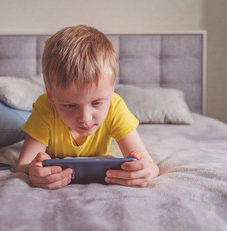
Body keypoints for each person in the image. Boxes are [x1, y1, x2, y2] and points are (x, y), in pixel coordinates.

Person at [15, 25, 159, 189]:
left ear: (112, 89)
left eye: (97, 103)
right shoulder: (45, 107)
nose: (85, 118)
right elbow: (23, 166)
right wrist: (33, 172)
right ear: (50, 95)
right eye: (69, 105)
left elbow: (151, 166)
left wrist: (145, 171)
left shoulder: (115, 105)